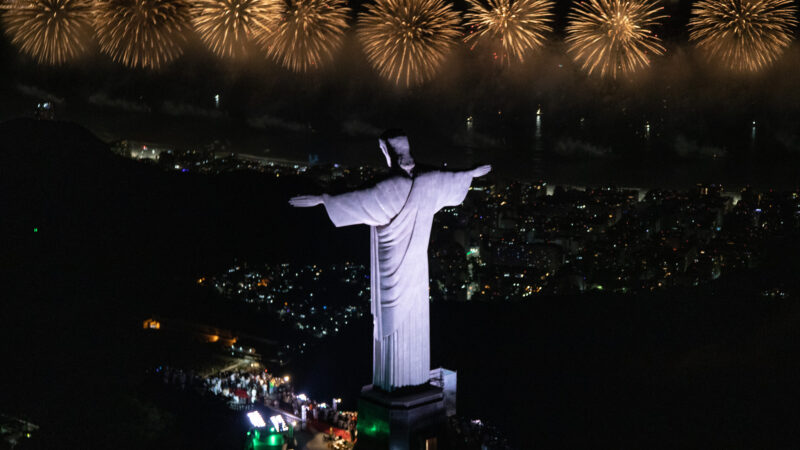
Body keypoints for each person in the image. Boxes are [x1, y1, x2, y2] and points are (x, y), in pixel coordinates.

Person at [290, 130, 490, 390]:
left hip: (391, 272)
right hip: (417, 271)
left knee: (391, 328)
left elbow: (354, 201)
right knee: (413, 322)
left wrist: (321, 200)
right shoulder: (428, 181)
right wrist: (471, 174)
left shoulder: (387, 190)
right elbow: (451, 178)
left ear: (386, 153)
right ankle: (412, 383)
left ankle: (394, 385)